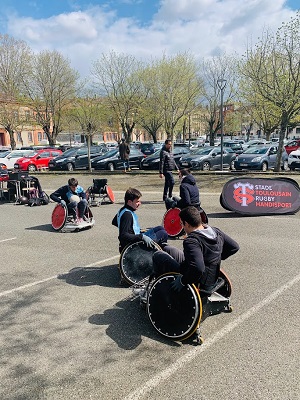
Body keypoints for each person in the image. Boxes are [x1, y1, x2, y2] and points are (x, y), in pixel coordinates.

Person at [152, 206, 239, 292]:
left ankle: (161, 290)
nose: (183, 227)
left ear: (186, 224)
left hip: (197, 281)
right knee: (168, 249)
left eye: (182, 224)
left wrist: (183, 281)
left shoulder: (192, 241)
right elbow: (234, 247)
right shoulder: (215, 231)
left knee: (158, 256)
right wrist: (216, 257)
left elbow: (198, 268)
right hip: (210, 275)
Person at [112, 187, 168, 253]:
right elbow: (123, 235)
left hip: (135, 238)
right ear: (129, 202)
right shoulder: (127, 215)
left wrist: (131, 230)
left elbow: (115, 222)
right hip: (132, 245)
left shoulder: (122, 210)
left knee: (160, 228)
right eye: (137, 201)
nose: (140, 203)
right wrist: (141, 236)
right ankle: (159, 254)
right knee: (163, 233)